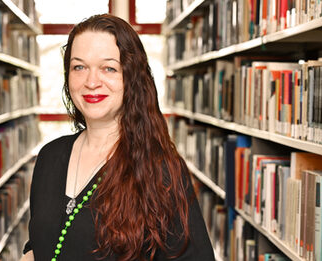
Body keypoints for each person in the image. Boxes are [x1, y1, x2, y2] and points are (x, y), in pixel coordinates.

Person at [21, 14, 215, 261]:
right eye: (79, 67)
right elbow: (43, 240)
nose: (92, 82)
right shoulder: (49, 156)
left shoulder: (160, 170)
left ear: (131, 76)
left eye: (108, 68)